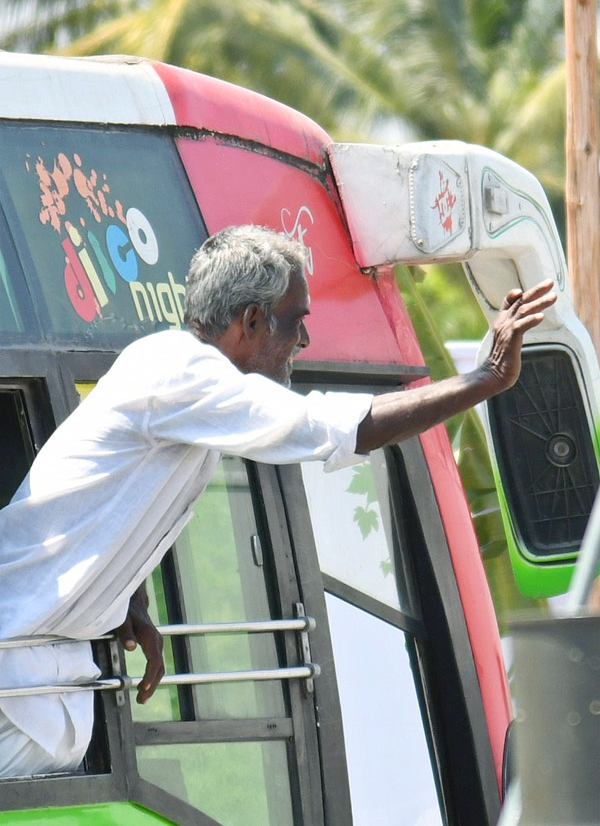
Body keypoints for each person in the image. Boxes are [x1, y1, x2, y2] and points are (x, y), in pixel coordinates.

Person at [0, 225, 556, 778]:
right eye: (296, 321)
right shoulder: (183, 374)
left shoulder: (181, 376)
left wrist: (128, 600)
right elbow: (331, 427)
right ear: (251, 321)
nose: (304, 342)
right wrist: (484, 379)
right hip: (17, 668)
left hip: (38, 681)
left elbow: (114, 500)